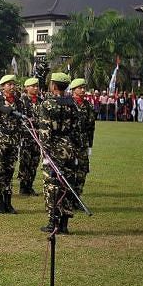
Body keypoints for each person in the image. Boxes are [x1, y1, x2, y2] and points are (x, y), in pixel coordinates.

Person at [39, 73, 79, 234]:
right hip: (69, 149)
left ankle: (53, 222)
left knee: (52, 186)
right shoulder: (72, 104)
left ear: (54, 86)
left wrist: (45, 153)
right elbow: (77, 130)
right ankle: (64, 224)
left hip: (54, 149)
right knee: (67, 185)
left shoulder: (48, 104)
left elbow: (45, 131)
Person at [0, 74, 22, 214]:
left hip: (14, 141)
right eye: (9, 84)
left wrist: (20, 141)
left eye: (13, 84)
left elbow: (21, 123)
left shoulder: (19, 102)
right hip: (0, 140)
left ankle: (8, 201)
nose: (12, 87)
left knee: (10, 172)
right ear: (2, 87)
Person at [70, 78, 95, 207]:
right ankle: (68, 198)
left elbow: (91, 127)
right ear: (73, 90)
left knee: (82, 171)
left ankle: (77, 197)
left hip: (83, 143)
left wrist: (90, 145)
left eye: (84, 87)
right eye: (80, 88)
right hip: (69, 143)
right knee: (69, 171)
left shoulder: (88, 105)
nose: (83, 90)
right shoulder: (68, 103)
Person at [18, 77, 42, 195]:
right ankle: (23, 186)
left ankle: (30, 185)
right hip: (26, 136)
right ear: (26, 87)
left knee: (34, 162)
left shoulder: (41, 101)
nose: (35, 88)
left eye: (37, 86)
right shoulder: (21, 101)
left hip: (37, 137)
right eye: (33, 86)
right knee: (25, 161)